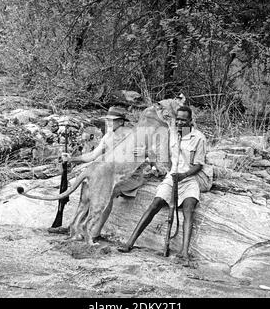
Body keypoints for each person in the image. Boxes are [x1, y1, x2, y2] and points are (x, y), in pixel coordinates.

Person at [118, 106, 206, 261]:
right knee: (155, 203)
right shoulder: (171, 134)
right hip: (172, 177)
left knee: (189, 209)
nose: (179, 122)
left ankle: (184, 252)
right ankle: (130, 242)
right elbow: (161, 153)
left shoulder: (198, 137)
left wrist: (184, 175)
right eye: (177, 119)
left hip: (189, 178)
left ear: (190, 120)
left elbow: (199, 164)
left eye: (183, 120)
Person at [48, 106, 146, 234]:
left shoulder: (131, 136)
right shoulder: (108, 137)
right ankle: (74, 226)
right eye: (108, 120)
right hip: (108, 173)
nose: (109, 123)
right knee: (88, 189)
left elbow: (147, 156)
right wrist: (71, 159)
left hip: (130, 176)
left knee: (107, 192)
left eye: (112, 120)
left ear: (121, 121)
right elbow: (93, 155)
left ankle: (95, 232)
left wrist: (145, 152)